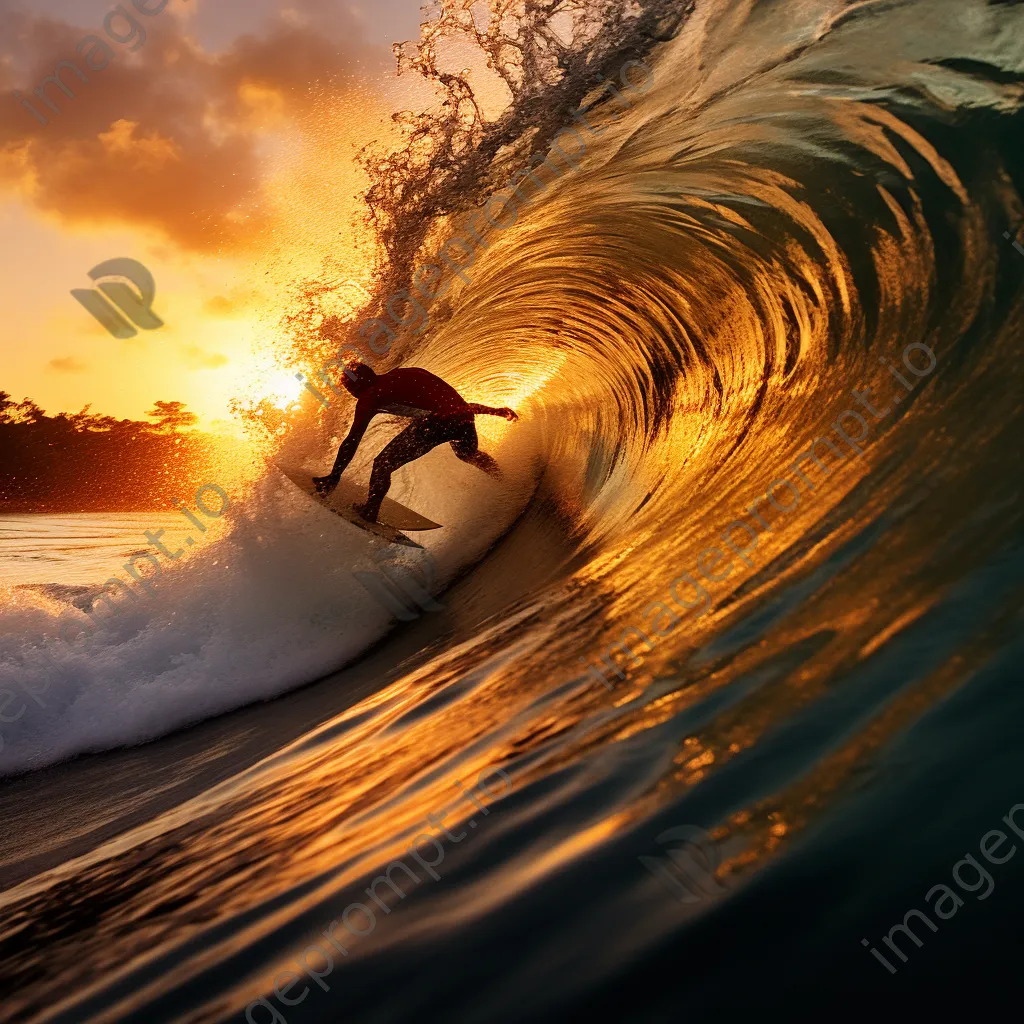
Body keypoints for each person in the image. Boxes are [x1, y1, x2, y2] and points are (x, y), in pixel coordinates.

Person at [312, 358, 518, 523]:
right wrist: (493, 411)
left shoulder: (370, 396)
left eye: (349, 388)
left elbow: (352, 440)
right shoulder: (407, 373)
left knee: (382, 464)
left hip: (436, 423)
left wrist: (334, 475)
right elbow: (449, 400)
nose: (351, 393)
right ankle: (508, 482)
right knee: (467, 454)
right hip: (464, 419)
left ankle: (370, 511)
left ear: (356, 386)